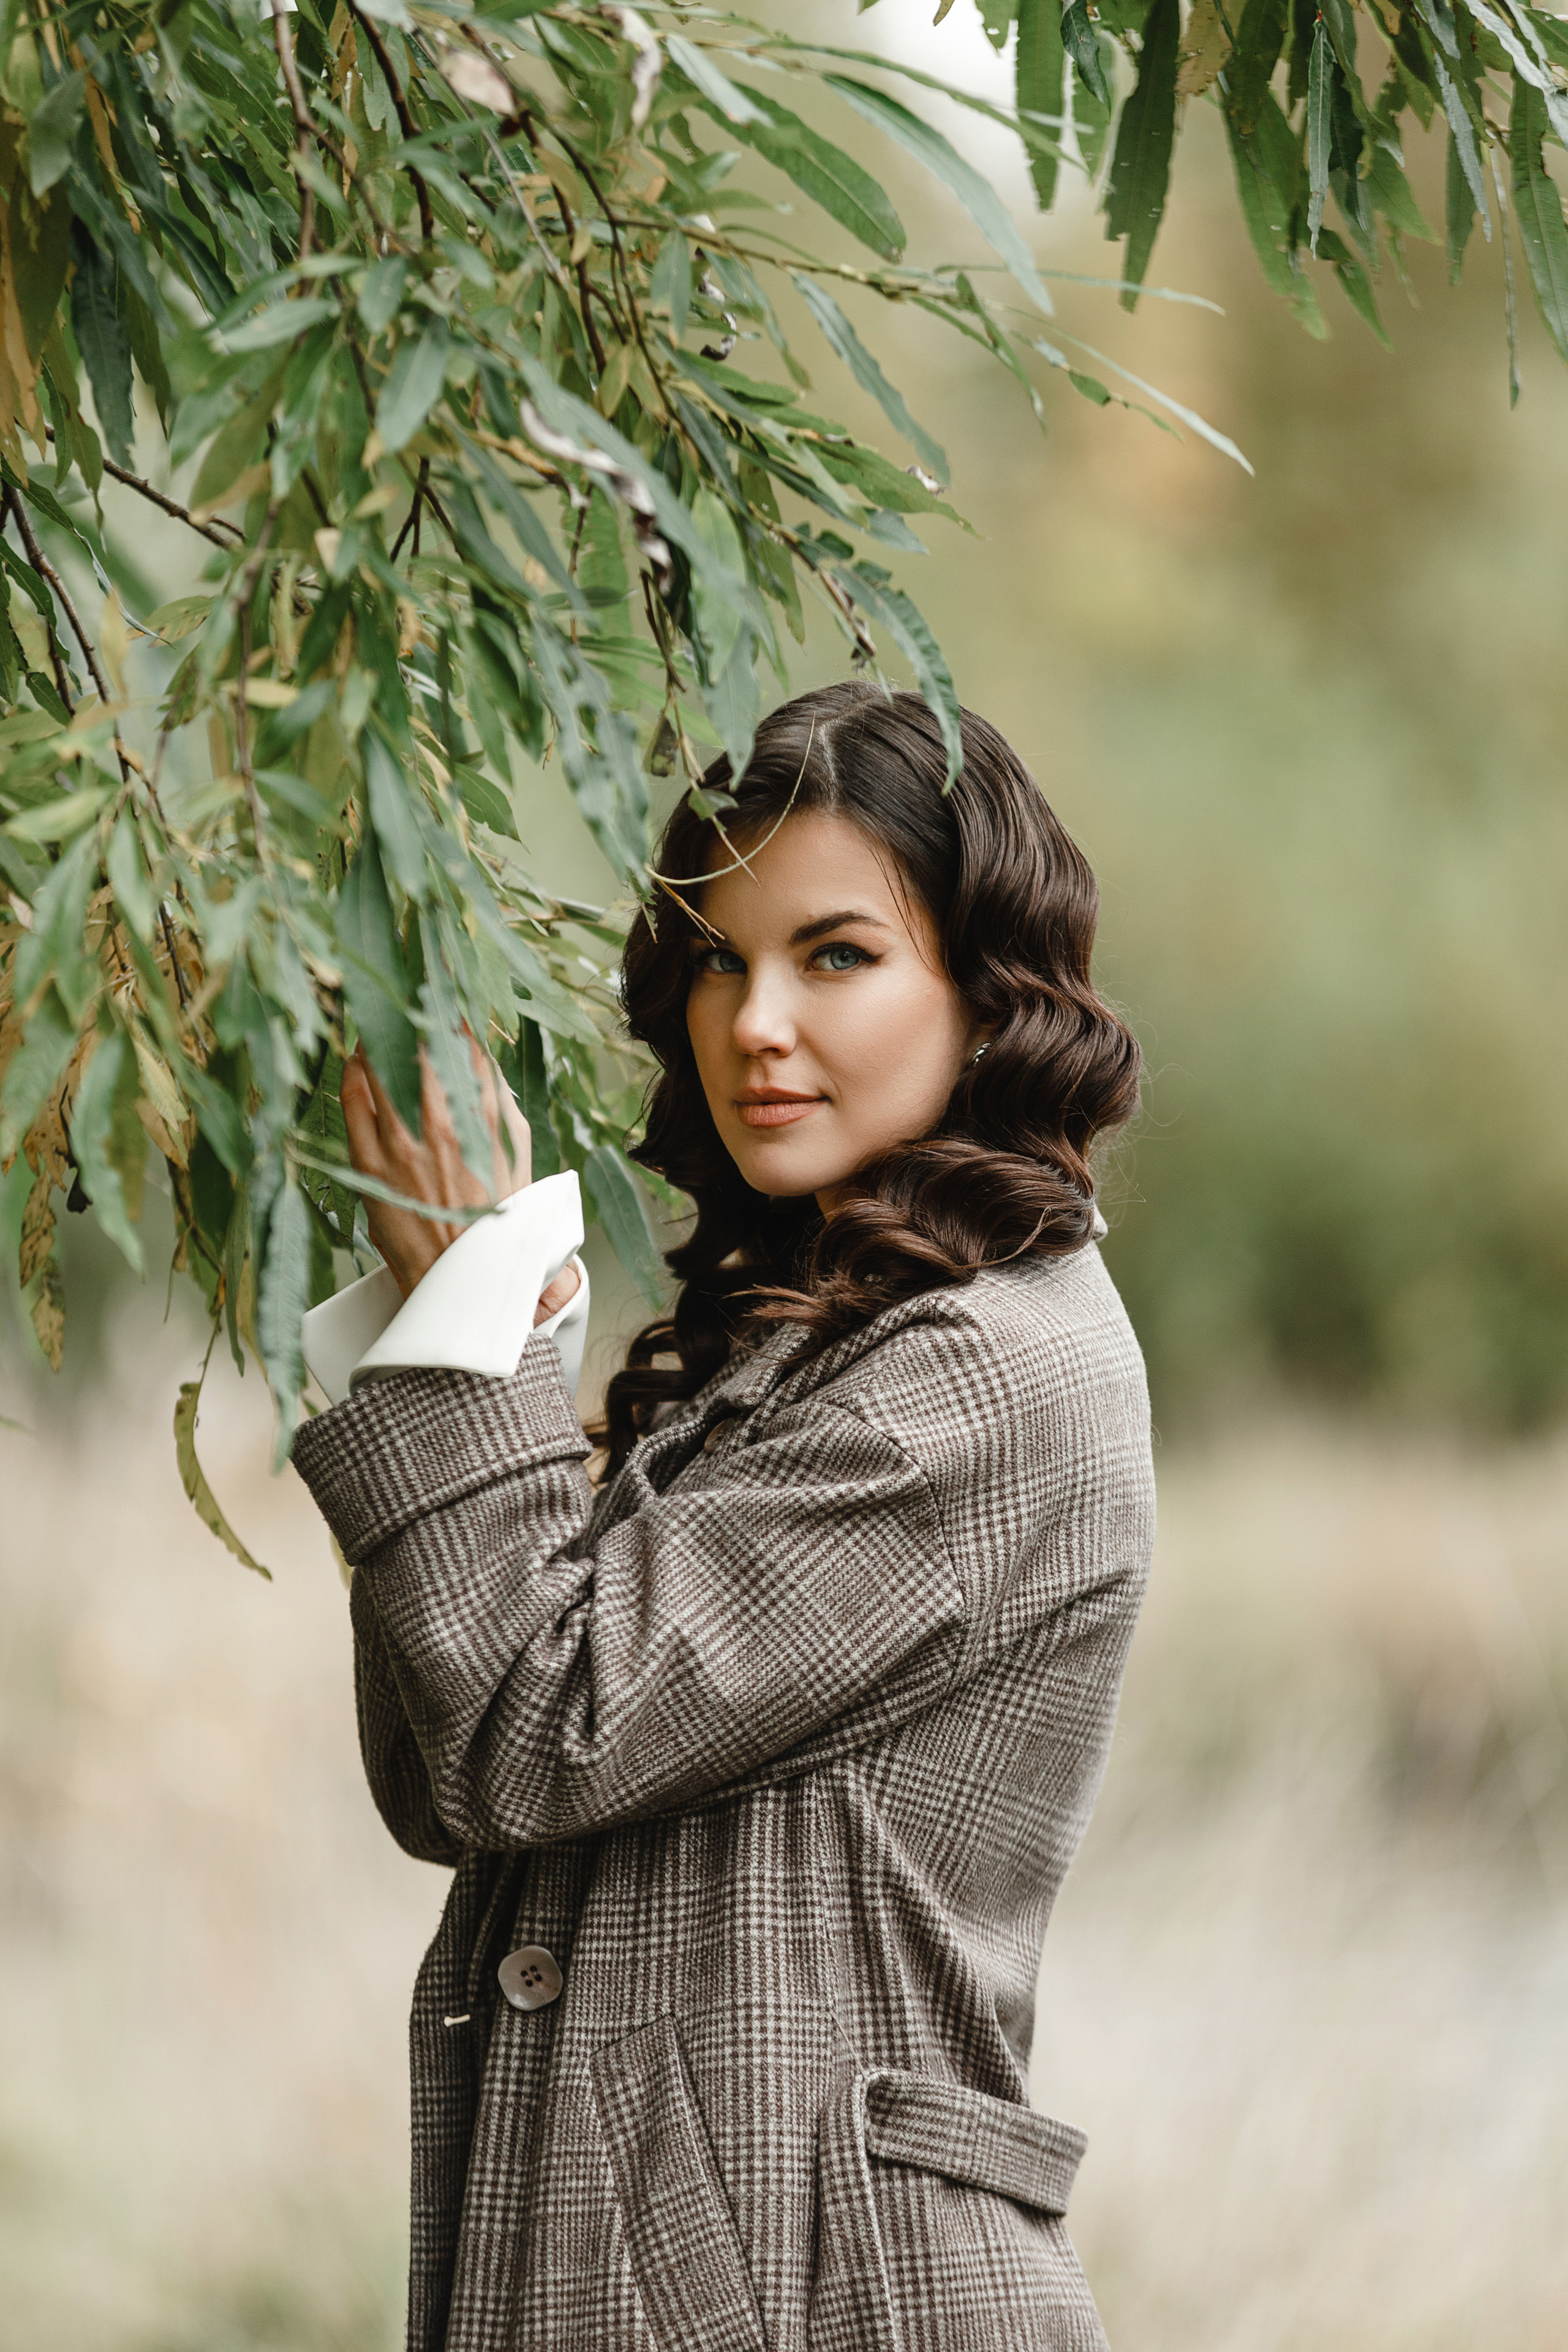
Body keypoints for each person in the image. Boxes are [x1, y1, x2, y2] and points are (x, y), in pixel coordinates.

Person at [292, 681, 1155, 2352]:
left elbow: (529, 1733)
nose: (758, 1020)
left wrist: (470, 1327)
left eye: (836, 955)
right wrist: (450, 1325)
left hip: (821, 2293)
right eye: (718, 958)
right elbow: (453, 1789)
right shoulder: (807, 1335)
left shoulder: (984, 1375)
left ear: (985, 991)